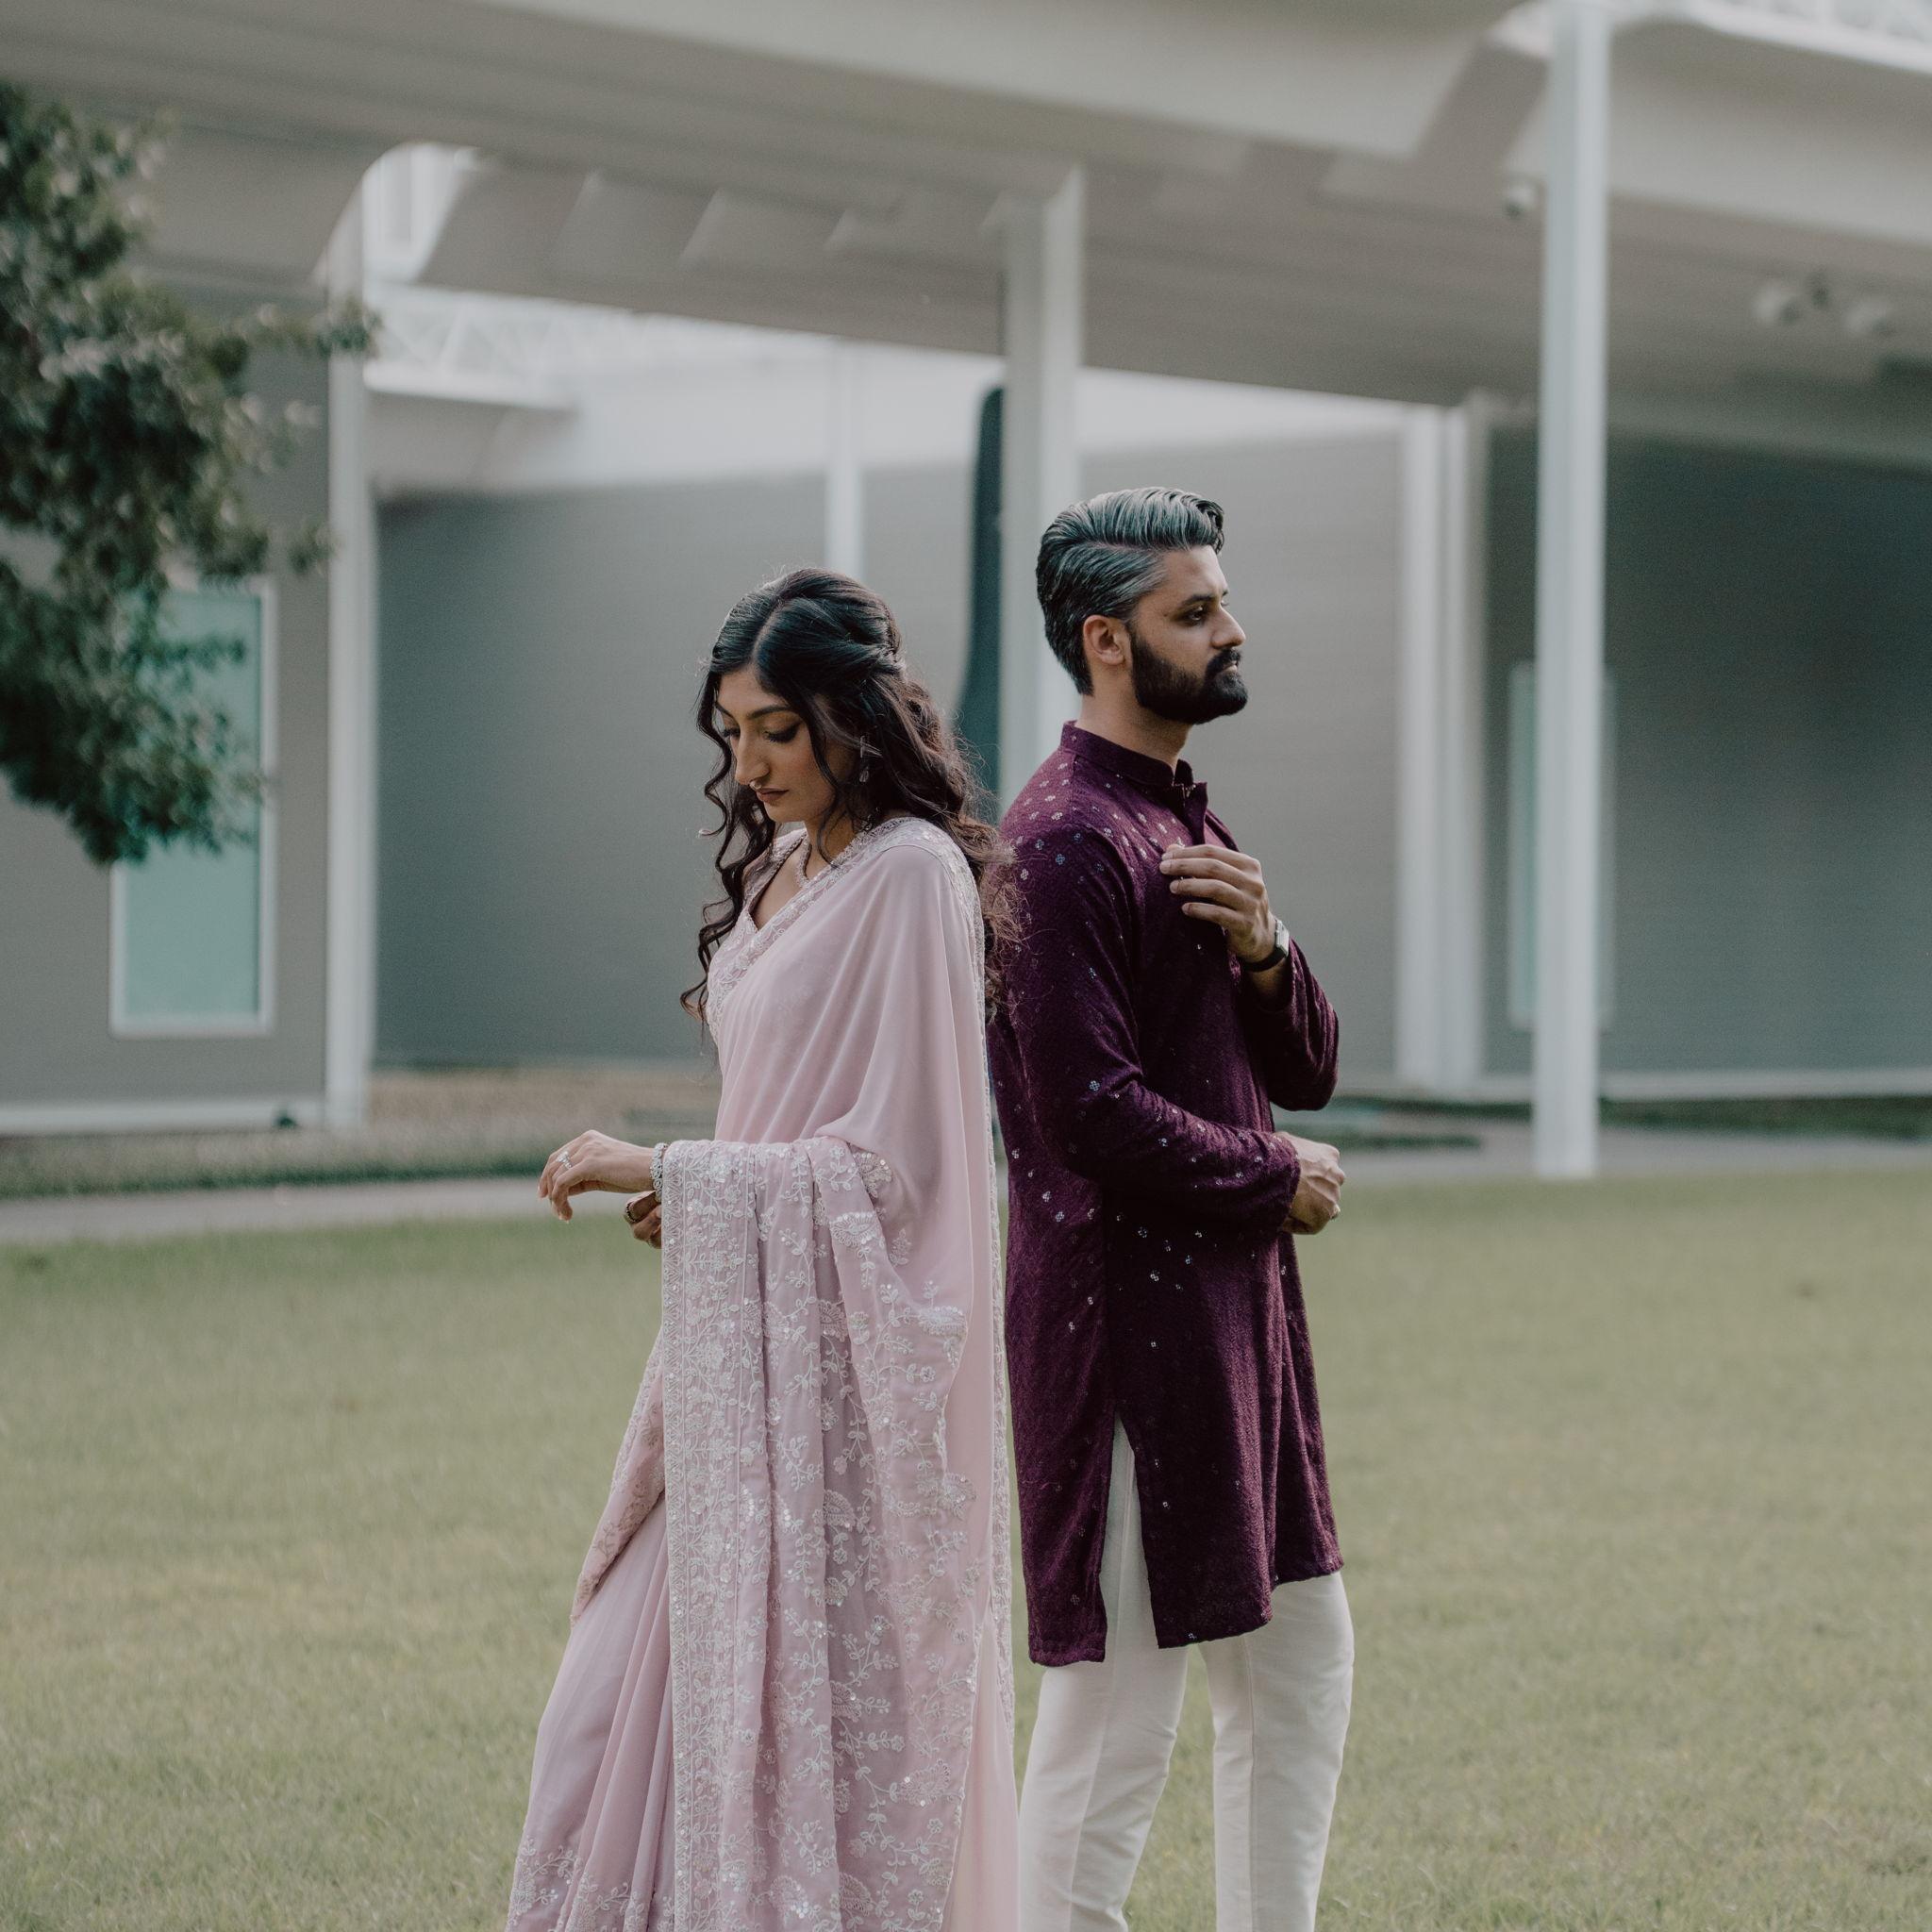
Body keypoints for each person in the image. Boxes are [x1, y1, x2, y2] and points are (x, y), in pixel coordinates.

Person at [506, 568, 1020, 1932]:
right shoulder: (786, 869)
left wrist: (676, 1169)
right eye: (732, 732)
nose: (749, 763)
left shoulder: (909, 878)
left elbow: (900, 1176)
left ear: (856, 715)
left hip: (836, 1390)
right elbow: (793, 1123)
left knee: (783, 1726)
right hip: (740, 1349)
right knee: (603, 1708)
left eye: (777, 730)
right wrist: (709, 1198)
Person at [988, 489, 1352, 1932]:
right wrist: (1275, 1176)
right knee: (1113, 1733)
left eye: (1222, 600)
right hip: (1126, 1344)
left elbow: (1308, 1065)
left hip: (1239, 1332)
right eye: (1194, 612)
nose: (1231, 628)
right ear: (1106, 641)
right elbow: (1085, 1115)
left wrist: (1268, 946)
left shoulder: (1180, 820)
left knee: (1299, 1666)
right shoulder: (1063, 840)